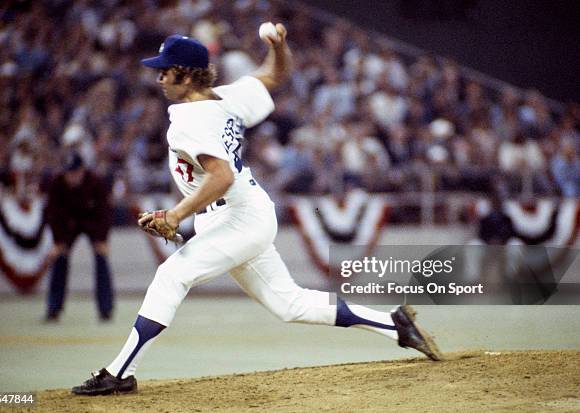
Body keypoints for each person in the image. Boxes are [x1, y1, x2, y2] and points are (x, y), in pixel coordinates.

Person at [72, 24, 441, 396]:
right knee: (289, 304)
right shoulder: (228, 99)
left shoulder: (188, 119)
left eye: (166, 69)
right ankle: (395, 325)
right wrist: (279, 46)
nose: (160, 76)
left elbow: (221, 178)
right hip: (239, 214)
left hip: (237, 215)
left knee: (172, 275)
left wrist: (175, 216)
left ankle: (119, 372)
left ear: (186, 74)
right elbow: (274, 73)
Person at [45, 151, 114, 321]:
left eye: (75, 172)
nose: (72, 177)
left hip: (92, 222)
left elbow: (105, 213)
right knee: (60, 258)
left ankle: (105, 309)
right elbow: (52, 213)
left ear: (82, 170)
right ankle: (53, 308)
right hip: (68, 224)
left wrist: (102, 240)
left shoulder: (97, 182)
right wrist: (58, 241)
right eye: (69, 173)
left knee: (101, 258)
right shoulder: (57, 183)